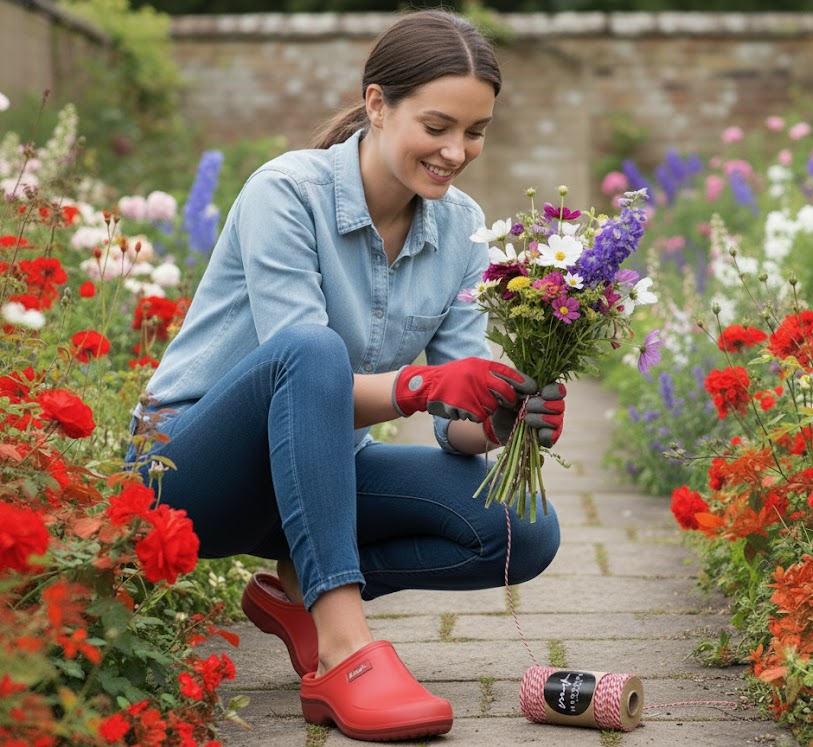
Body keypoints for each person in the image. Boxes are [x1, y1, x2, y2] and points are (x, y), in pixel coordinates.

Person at [125, 9, 565, 743]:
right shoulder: (286, 193)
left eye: (475, 131)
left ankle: (301, 594)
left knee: (525, 529)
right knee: (314, 349)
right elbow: (305, 373)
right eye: (437, 126)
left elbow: (454, 430)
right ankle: (344, 648)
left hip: (317, 479)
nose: (456, 151)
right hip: (186, 468)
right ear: (377, 104)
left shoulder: (463, 231)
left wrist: (499, 416)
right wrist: (422, 386)